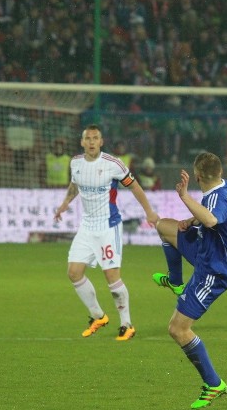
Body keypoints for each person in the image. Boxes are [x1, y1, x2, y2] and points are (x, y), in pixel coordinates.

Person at [151, 152, 227, 409]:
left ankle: (214, 384)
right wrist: (191, 219)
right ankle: (176, 282)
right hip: (205, 248)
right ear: (219, 173)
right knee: (165, 227)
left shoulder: (215, 199)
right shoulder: (224, 188)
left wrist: (185, 197)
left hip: (214, 271)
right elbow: (211, 216)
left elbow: (212, 218)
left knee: (177, 329)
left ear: (198, 176)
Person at [53, 125, 159, 341]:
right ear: (82, 142)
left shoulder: (113, 164)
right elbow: (75, 184)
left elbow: (135, 186)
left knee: (112, 278)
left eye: (95, 138)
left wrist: (148, 211)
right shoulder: (76, 162)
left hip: (108, 226)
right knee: (74, 273)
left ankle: (126, 324)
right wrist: (65, 203)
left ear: (101, 142)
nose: (91, 142)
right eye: (87, 138)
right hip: (87, 226)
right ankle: (98, 315)